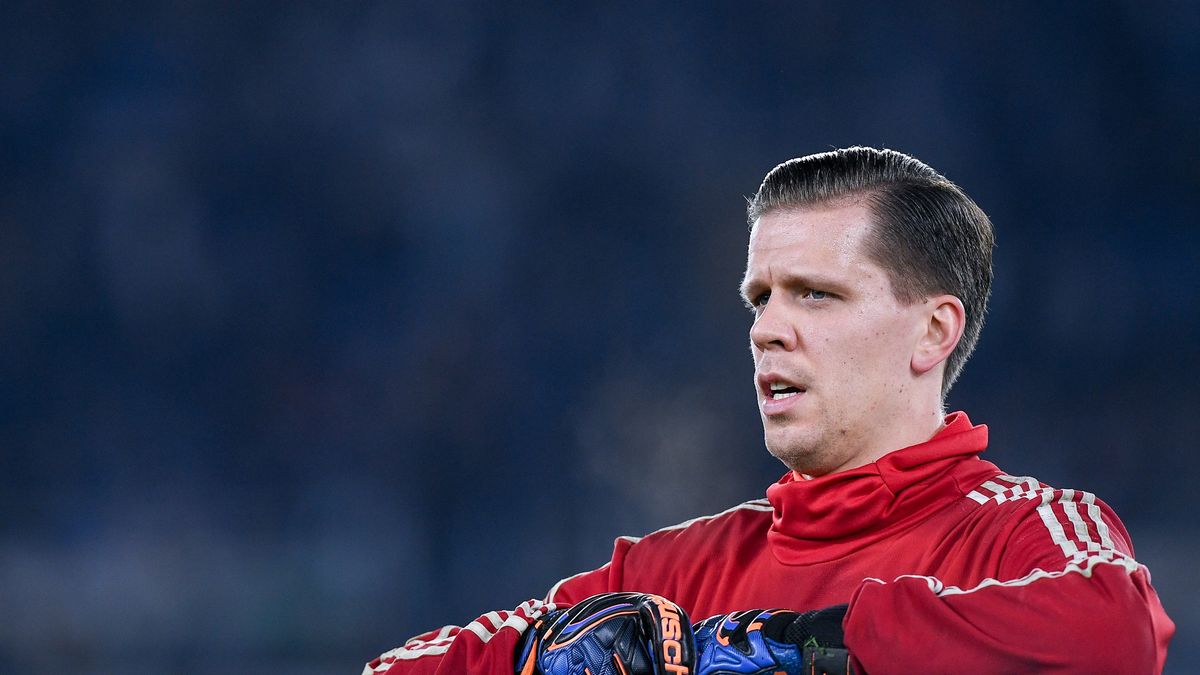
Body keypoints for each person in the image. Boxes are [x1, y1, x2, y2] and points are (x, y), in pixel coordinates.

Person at [363, 147, 1174, 674]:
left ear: (933, 330)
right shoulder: (669, 573)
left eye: (816, 294)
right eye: (760, 298)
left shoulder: (1025, 533)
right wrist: (540, 661)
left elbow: (1117, 637)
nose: (767, 329)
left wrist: (784, 651)